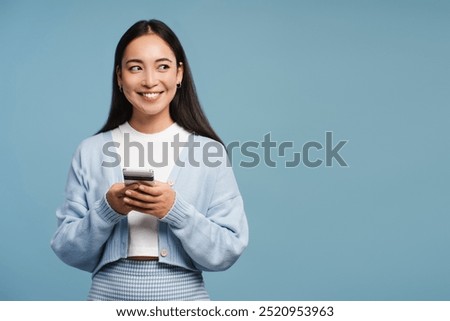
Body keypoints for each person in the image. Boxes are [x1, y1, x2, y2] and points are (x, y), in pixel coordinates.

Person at [50, 19, 249, 301]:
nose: (150, 80)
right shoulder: (90, 151)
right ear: (119, 76)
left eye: (163, 66)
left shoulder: (210, 153)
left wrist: (175, 210)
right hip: (107, 299)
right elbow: (66, 249)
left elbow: (228, 250)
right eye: (135, 67)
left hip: (184, 301)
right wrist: (108, 209)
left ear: (179, 73)